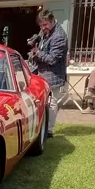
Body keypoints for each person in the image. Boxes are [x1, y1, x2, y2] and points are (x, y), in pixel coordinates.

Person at [29, 10, 68, 138]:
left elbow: (52, 59)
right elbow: (42, 46)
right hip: (41, 73)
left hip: (53, 75)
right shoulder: (46, 31)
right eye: (41, 25)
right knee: (41, 102)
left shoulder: (59, 36)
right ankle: (42, 127)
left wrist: (37, 52)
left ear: (52, 21)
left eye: (45, 25)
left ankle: (49, 131)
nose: (43, 28)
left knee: (51, 102)